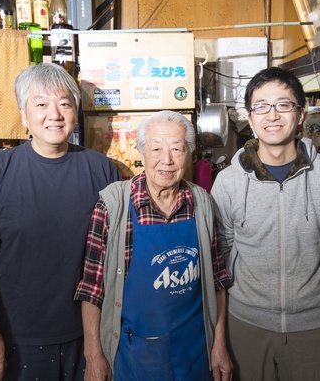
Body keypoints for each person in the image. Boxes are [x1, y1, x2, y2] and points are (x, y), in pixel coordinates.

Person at [0, 63, 121, 381]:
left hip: (90, 337)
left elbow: (114, 259)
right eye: (41, 104)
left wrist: (98, 345)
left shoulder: (102, 171)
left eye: (64, 103)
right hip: (17, 337)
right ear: (24, 115)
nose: (54, 114)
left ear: (75, 112)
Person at [210, 67, 320, 381]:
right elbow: (223, 248)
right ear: (250, 119)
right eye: (261, 106)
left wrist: (311, 282)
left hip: (315, 326)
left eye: (283, 104)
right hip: (246, 325)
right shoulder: (228, 181)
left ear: (300, 115)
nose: (272, 115)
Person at [74, 110, 233, 381]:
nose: (167, 160)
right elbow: (92, 289)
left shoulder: (202, 204)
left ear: (189, 154)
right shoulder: (113, 206)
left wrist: (219, 345)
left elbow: (217, 281)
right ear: (143, 152)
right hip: (134, 356)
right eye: (156, 148)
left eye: (177, 149)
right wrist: (94, 356)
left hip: (195, 354)